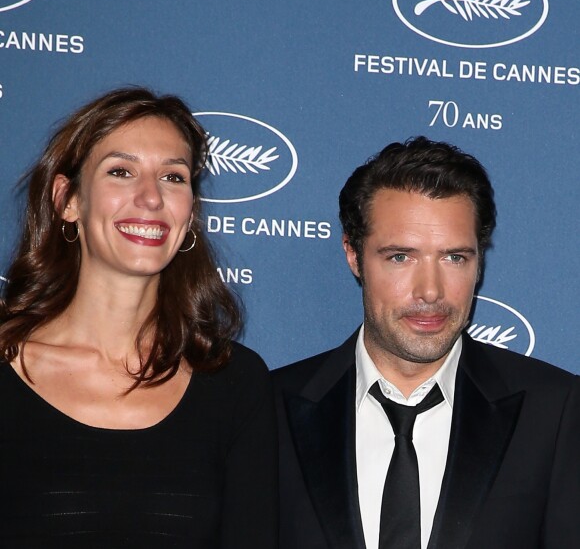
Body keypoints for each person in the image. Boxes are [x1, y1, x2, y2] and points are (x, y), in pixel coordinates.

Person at [0, 87, 277, 548]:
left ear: (190, 213)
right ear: (68, 199)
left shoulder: (235, 384)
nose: (150, 198)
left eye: (173, 177)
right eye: (121, 172)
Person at [273, 137, 580, 549]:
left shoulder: (553, 412)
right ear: (353, 254)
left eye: (455, 258)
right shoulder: (269, 408)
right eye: (401, 257)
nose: (431, 291)